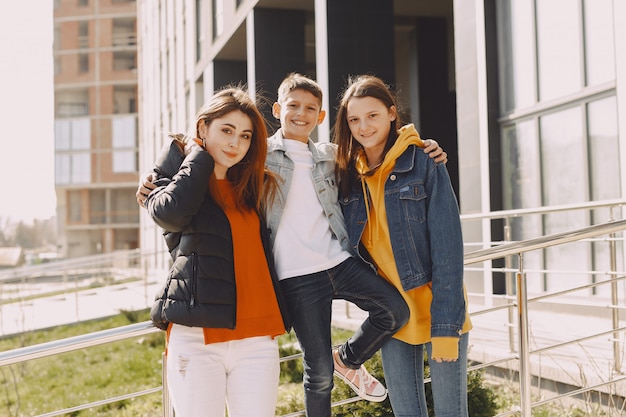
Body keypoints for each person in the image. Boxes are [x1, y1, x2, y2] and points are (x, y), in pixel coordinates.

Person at [137, 73, 446, 417]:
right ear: (278, 109)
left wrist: (419, 146)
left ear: (322, 116)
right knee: (319, 374)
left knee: (394, 310)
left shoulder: (322, 157)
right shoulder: (259, 157)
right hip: (281, 286)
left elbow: (377, 151)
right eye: (293, 106)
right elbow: (183, 191)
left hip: (323, 275)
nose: (301, 113)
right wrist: (171, 164)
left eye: (311, 108)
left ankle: (348, 358)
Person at [143, 86, 290, 417]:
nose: (235, 143)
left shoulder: (256, 184)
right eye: (226, 130)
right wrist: (199, 153)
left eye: (245, 135)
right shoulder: (172, 184)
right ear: (202, 128)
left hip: (257, 339)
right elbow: (173, 214)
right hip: (197, 339)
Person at [333, 74, 472, 417]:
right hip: (393, 313)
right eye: (354, 119)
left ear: (392, 113)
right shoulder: (348, 176)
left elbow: (448, 249)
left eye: (373, 115)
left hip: (439, 310)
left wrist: (446, 329)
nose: (363, 126)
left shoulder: (424, 161)